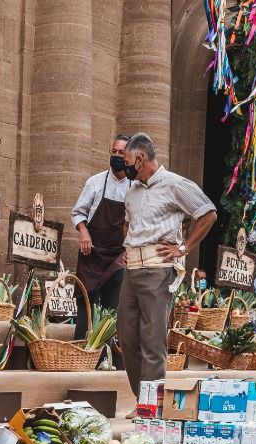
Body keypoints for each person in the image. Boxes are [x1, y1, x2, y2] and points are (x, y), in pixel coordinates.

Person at [117, 132, 217, 399]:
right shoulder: (132, 191)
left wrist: (183, 248)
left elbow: (207, 213)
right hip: (132, 269)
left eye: (126, 160)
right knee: (126, 338)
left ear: (140, 159)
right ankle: (143, 400)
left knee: (152, 340)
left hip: (159, 268)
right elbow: (128, 222)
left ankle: (151, 405)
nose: (123, 165)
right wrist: (127, 243)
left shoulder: (175, 184)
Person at [69, 133, 131, 341]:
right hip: (91, 253)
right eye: (113, 152)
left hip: (117, 257)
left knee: (111, 308)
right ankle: (80, 353)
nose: (116, 156)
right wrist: (84, 232)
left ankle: (105, 358)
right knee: (87, 305)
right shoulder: (95, 182)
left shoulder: (136, 188)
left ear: (130, 155)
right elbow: (78, 213)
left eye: (121, 153)